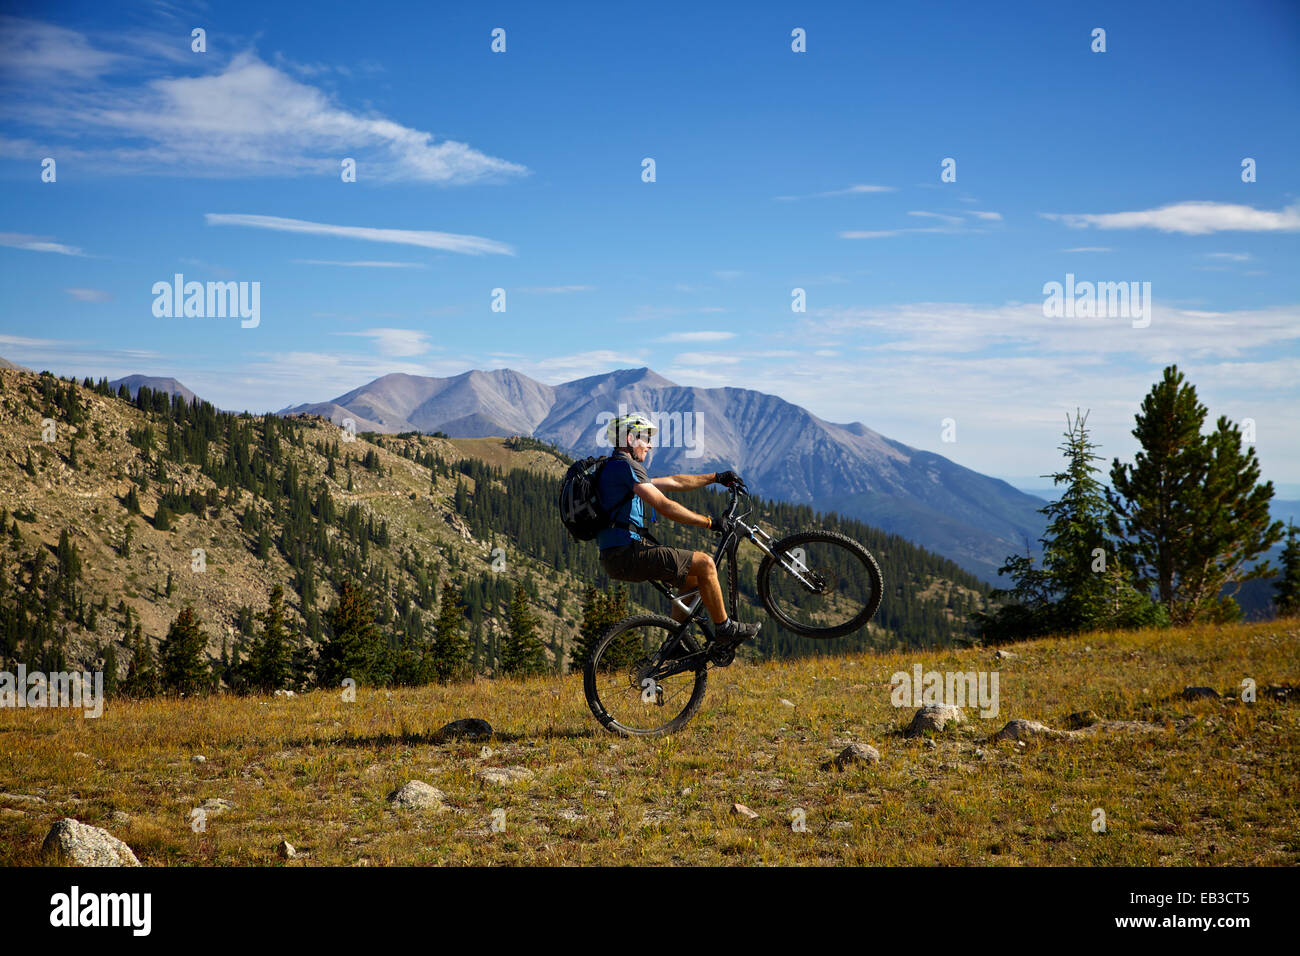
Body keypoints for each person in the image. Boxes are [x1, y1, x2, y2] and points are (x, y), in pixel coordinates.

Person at [596, 412, 760, 648]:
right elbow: (665, 505)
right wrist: (709, 522)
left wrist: (716, 477)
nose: (650, 445)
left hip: (618, 554)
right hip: (626, 554)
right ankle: (726, 628)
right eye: (645, 438)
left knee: (693, 581)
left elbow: (674, 482)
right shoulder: (625, 467)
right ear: (630, 439)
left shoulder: (616, 467)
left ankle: (674, 646)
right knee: (705, 564)